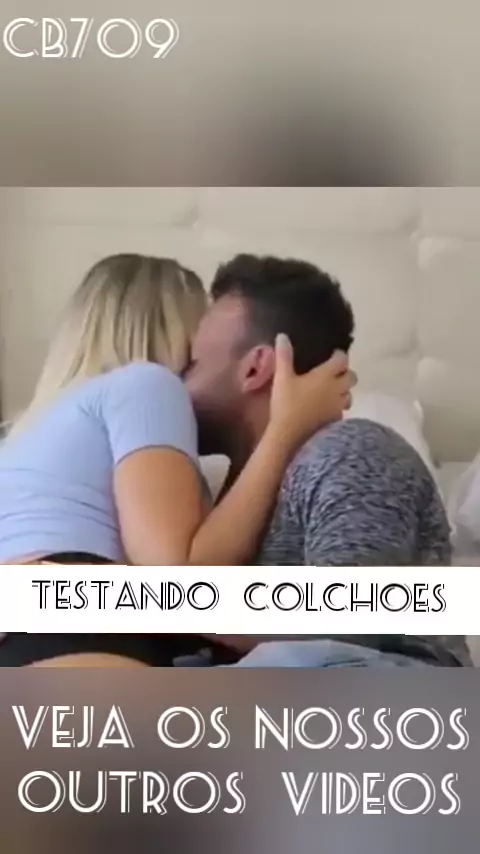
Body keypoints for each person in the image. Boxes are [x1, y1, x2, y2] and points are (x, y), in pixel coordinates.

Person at [0, 253, 354, 667]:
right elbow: (179, 584)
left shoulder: (31, 434)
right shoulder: (147, 384)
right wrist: (285, 429)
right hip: (76, 628)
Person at [183, 253, 471, 668]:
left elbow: (346, 623)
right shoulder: (231, 495)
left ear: (255, 369)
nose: (174, 385)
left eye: (191, 365)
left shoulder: (352, 451)